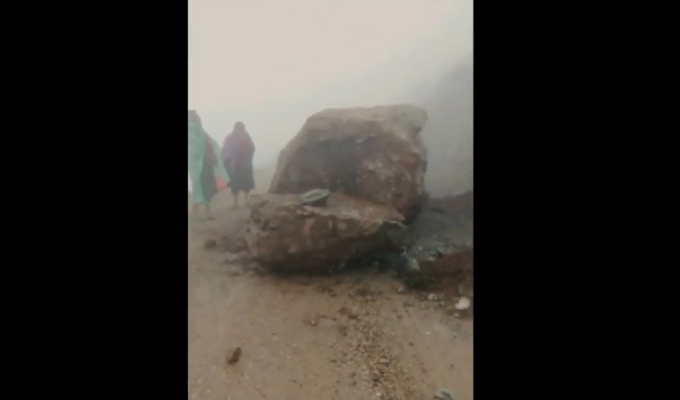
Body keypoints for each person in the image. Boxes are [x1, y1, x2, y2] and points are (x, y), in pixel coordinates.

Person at [188, 110, 231, 220]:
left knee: (206, 188)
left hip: (204, 165)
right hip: (198, 166)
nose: (198, 119)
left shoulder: (200, 130)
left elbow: (209, 144)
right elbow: (195, 148)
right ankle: (197, 215)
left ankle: (204, 214)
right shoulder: (192, 130)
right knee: (200, 189)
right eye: (196, 117)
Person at [221, 121, 255, 208]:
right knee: (235, 184)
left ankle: (246, 200)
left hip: (246, 163)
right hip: (235, 164)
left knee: (247, 183)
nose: (242, 130)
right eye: (240, 128)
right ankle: (235, 202)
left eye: (243, 128)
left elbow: (252, 147)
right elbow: (225, 150)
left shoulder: (247, 136)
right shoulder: (230, 138)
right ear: (235, 128)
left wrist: (249, 147)